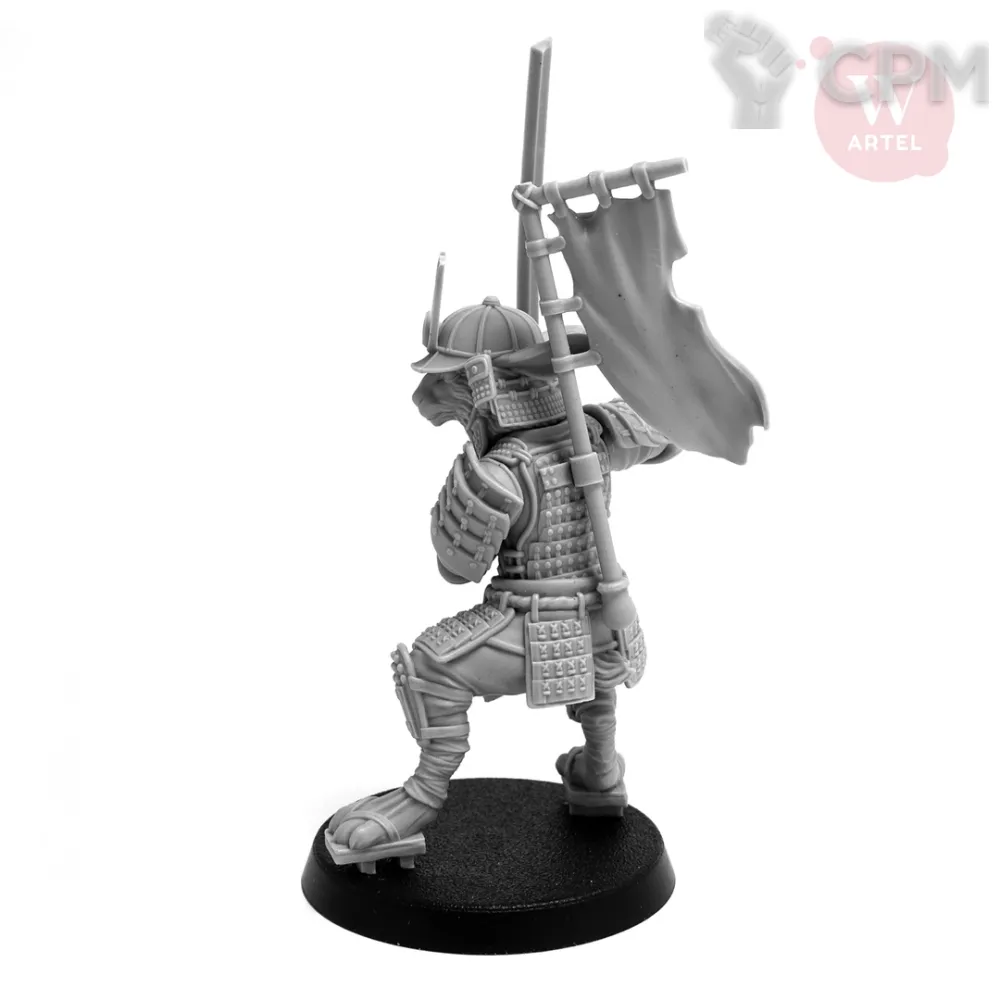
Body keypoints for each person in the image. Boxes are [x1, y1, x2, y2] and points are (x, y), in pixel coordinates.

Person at [326, 296, 678, 867]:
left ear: (482, 383)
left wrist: (471, 487)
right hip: (610, 621)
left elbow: (456, 570)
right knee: (597, 683)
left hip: (536, 623)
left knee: (429, 665)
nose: (428, 396)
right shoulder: (596, 433)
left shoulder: (502, 471)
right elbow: (670, 434)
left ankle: (422, 796)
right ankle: (600, 773)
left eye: (447, 381)